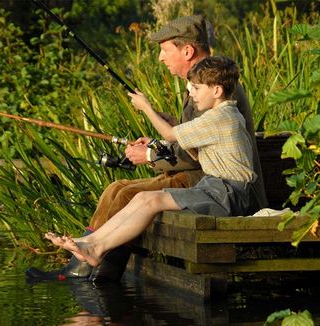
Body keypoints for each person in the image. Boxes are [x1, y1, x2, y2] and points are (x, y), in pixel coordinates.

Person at [26, 15, 268, 281]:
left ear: (187, 51)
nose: (160, 58)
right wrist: (159, 141)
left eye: (165, 50)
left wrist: (151, 151)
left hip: (213, 184)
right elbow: (197, 138)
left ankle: (93, 273)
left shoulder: (213, 90)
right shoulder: (207, 86)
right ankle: (87, 255)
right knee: (117, 188)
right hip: (207, 181)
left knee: (126, 195)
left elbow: (196, 152)